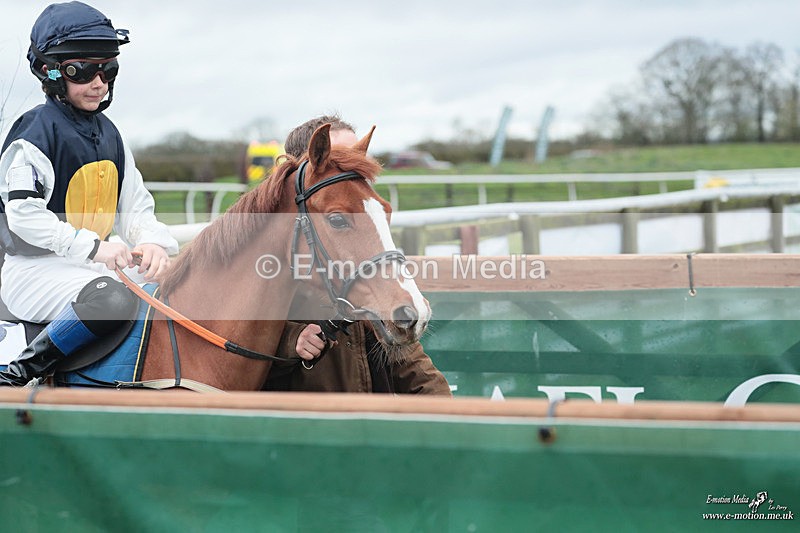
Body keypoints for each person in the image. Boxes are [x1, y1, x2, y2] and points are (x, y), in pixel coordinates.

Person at [0, 2, 178, 386]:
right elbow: (24, 215)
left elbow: (136, 208)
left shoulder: (111, 134)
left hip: (87, 266)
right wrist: (94, 248)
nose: (100, 82)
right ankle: (20, 372)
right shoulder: (33, 134)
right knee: (112, 300)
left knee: (180, 282)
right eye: (83, 71)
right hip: (34, 272)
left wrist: (152, 243)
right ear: (50, 72)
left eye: (108, 69)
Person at [263, 115, 451, 395]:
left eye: (357, 157)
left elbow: (414, 369)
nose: (352, 167)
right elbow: (241, 355)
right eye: (339, 157)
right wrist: (292, 342)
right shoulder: (269, 268)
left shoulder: (362, 257)